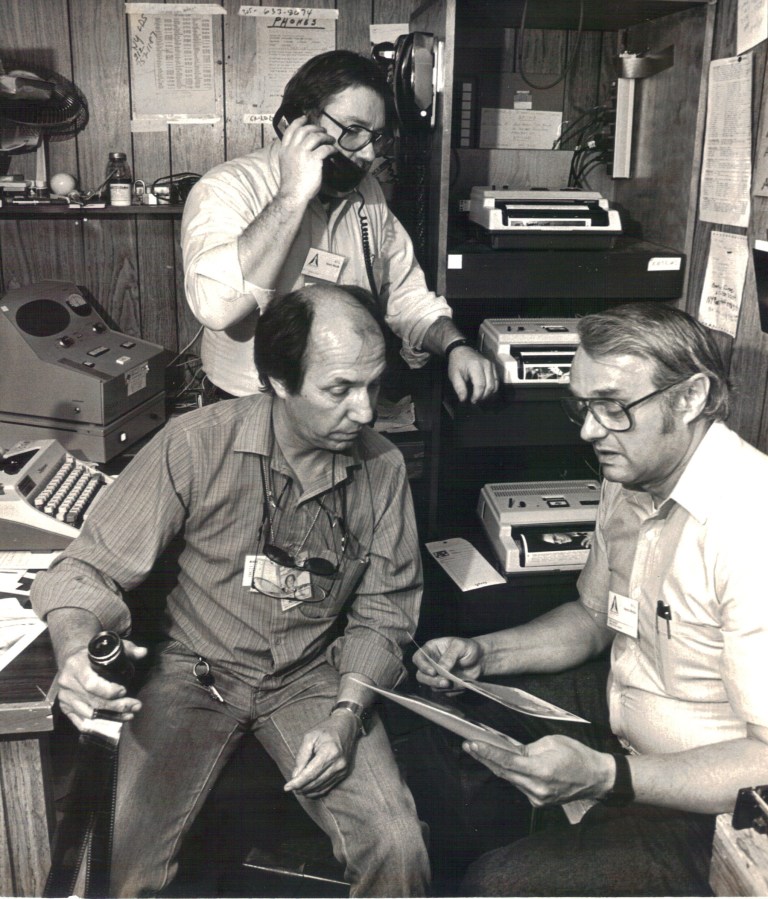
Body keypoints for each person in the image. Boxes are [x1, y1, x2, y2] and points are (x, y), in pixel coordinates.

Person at [31, 283, 430, 898]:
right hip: (195, 670)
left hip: (313, 677)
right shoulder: (194, 443)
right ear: (277, 380)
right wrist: (77, 648)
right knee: (112, 861)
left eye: (374, 385)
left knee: (397, 846)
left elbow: (385, 613)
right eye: (340, 390)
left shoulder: (383, 469)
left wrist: (348, 714)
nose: (367, 412)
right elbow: (86, 571)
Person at [412, 301, 768, 896]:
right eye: (581, 406)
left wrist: (609, 778)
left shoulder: (750, 526)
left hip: (715, 806)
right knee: (451, 721)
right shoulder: (631, 475)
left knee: (499, 887)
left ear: (690, 397)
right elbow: (593, 616)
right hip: (624, 725)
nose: (588, 431)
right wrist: (483, 654)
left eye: (612, 408)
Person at [181, 49, 497, 404]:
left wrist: (455, 345)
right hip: (248, 402)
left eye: (376, 137)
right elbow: (217, 309)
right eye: (353, 131)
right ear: (297, 123)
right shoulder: (226, 188)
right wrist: (291, 197)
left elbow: (406, 296)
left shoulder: (368, 194)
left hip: (343, 404)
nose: (367, 154)